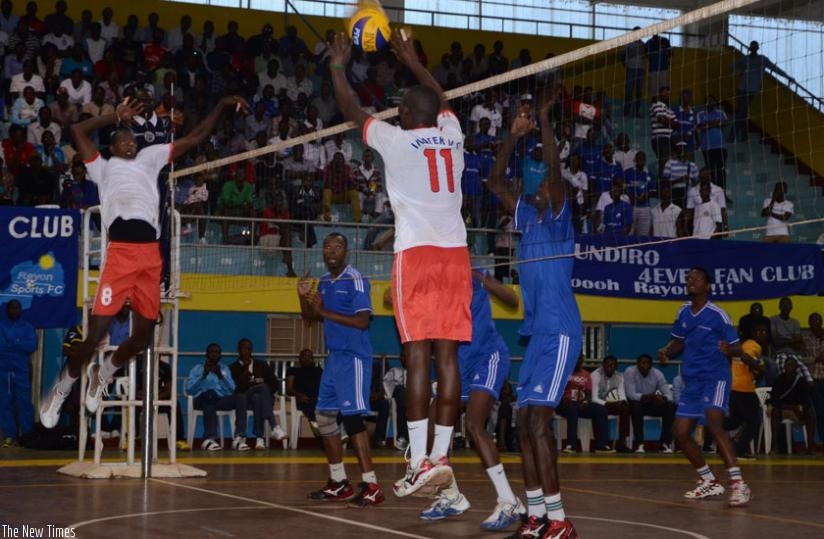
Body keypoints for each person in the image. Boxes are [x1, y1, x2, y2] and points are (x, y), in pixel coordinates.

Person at [38, 93, 251, 429]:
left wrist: (222, 104)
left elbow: (195, 138)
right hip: (120, 254)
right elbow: (77, 131)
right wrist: (113, 116)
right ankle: (62, 387)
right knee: (94, 336)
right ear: (113, 146)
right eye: (124, 139)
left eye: (132, 140)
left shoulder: (151, 158)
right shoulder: (102, 168)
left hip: (150, 256)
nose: (130, 143)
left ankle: (104, 374)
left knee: (142, 338)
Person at [329, 29, 471, 498]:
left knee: (416, 356)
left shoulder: (395, 139)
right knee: (446, 357)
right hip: (456, 255)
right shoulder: (454, 137)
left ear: (407, 114)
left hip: (416, 255)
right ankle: (443, 455)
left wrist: (337, 64)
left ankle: (419, 461)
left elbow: (351, 112)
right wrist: (412, 61)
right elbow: (443, 99)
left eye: (401, 108)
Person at [486, 96, 581, 538]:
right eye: (536, 185)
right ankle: (538, 515)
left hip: (561, 331)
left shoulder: (560, 218)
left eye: (542, 185)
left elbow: (556, 171)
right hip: (537, 333)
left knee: (539, 423)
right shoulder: (529, 219)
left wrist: (543, 124)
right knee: (522, 425)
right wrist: (513, 136)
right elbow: (493, 182)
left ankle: (560, 520)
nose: (538, 188)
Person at [420, 269, 525, 531]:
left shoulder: (477, 274)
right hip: (456, 362)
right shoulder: (435, 279)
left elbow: (513, 301)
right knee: (433, 423)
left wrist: (483, 280)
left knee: (474, 426)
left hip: (488, 356)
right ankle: (450, 495)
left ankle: (508, 500)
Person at [297, 233, 384, 507]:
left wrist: (323, 312)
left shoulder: (355, 278)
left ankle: (372, 486)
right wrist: (302, 297)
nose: (331, 250)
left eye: (337, 246)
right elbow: (310, 318)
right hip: (334, 359)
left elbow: (361, 322)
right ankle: (339, 482)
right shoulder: (323, 282)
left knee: (353, 419)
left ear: (346, 251)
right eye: (327, 246)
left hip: (355, 357)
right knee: (323, 418)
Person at [658, 267, 751, 506]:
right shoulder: (683, 311)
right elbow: (679, 341)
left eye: (696, 278)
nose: (691, 281)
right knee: (679, 432)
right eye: (688, 278)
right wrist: (668, 351)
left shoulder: (718, 314)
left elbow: (738, 347)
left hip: (715, 377)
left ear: (707, 285)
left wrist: (728, 350)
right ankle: (709, 481)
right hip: (693, 381)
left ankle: (739, 484)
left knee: (713, 422)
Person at [185, 343, 246, 451]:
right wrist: (203, 375)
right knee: (210, 393)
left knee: (240, 397)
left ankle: (239, 437)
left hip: (220, 400)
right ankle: (209, 438)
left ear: (220, 355)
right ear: (206, 354)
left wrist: (220, 376)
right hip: (200, 400)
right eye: (212, 352)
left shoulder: (225, 369)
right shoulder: (197, 369)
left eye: (217, 352)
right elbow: (189, 390)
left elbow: (232, 389)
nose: (215, 354)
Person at [228, 338, 287, 450]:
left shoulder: (262, 365)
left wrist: (258, 387)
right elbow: (236, 389)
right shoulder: (233, 368)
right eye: (243, 348)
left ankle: (260, 439)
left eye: (249, 349)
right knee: (261, 387)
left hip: (261, 400)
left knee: (258, 397)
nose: (246, 351)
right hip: (244, 400)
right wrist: (245, 373)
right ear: (239, 350)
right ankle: (273, 427)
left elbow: (274, 383)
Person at [729, 41, 794, 142]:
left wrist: (787, 76)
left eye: (755, 47)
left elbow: (775, 68)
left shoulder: (762, 59)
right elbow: (733, 66)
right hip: (742, 88)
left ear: (757, 49)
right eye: (752, 47)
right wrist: (740, 72)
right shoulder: (745, 59)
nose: (753, 49)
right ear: (750, 48)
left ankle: (732, 136)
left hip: (751, 90)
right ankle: (744, 137)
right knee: (742, 112)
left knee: (741, 112)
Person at [723, 321, 767, 460]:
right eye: (760, 331)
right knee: (754, 421)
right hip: (744, 389)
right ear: (753, 333)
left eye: (765, 332)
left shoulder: (741, 344)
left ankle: (711, 424)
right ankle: (739, 450)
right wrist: (760, 368)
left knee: (735, 421)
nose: (763, 334)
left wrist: (757, 371)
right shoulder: (753, 345)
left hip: (734, 387)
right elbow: (746, 358)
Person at [0, 300, 37, 446]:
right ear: (7, 310)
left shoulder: (27, 327)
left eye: (17, 308)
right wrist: (19, 344)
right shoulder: (1, 326)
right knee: (5, 404)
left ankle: (27, 436)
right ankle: (9, 436)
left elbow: (32, 346)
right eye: (12, 308)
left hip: (21, 371)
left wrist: (11, 344)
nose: (14, 311)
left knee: (24, 403)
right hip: (4, 371)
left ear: (20, 310)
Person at [624, 353, 675, 453]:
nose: (643, 365)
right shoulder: (630, 371)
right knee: (636, 405)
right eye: (641, 363)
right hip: (636, 403)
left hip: (651, 404)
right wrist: (651, 397)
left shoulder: (657, 374)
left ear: (651, 365)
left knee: (670, 406)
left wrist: (663, 398)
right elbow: (631, 394)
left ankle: (665, 443)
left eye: (646, 363)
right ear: (637, 364)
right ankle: (639, 443)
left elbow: (670, 395)